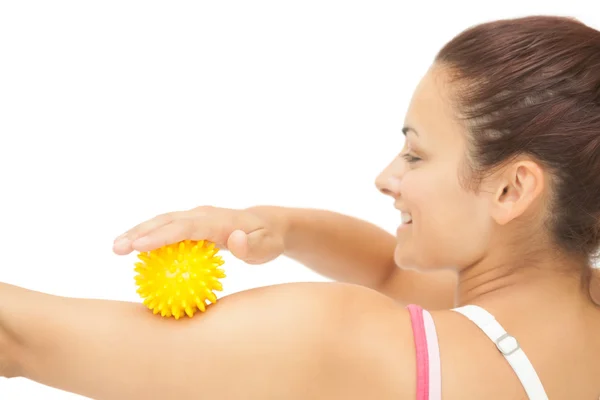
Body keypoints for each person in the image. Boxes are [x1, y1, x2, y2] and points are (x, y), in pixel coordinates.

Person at [2, 14, 600, 399]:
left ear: (511, 190)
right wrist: (281, 228)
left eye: (415, 156)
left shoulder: (334, 341)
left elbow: (18, 338)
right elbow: (393, 272)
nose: (385, 177)